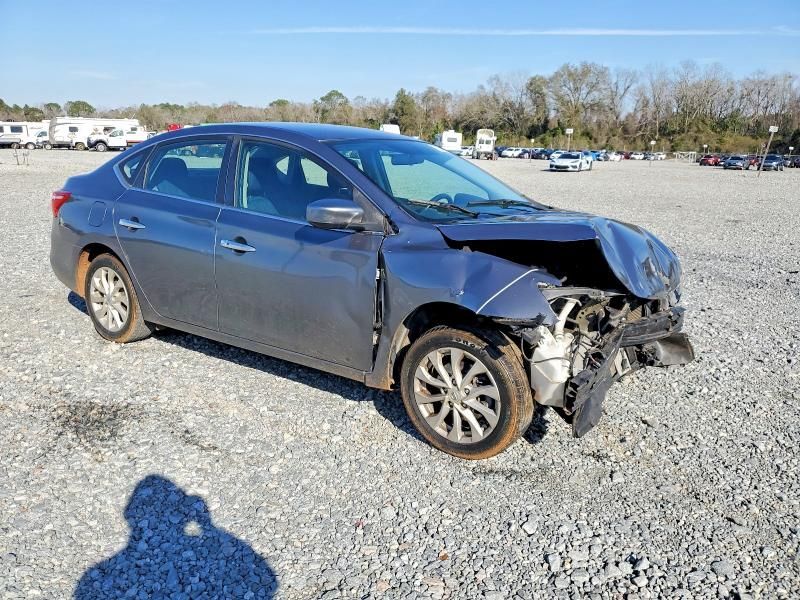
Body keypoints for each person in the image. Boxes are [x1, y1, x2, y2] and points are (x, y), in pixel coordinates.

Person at [75, 475, 275, 599]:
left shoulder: (94, 575)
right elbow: (270, 582)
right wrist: (209, 528)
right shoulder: (224, 545)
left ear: (130, 515)